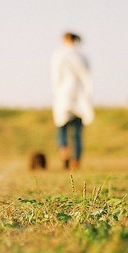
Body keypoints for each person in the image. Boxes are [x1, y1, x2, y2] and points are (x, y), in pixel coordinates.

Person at [51, 32, 94, 169]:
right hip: (79, 96)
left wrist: (57, 91)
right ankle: (75, 159)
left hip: (64, 95)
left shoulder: (59, 55)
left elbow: (55, 76)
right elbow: (87, 76)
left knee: (62, 128)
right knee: (77, 132)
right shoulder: (82, 56)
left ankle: (64, 149)